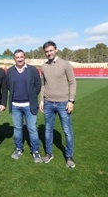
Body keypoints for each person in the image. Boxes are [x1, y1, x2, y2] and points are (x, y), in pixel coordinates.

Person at [39, 40, 77, 168]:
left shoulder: (65, 64)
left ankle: (69, 156)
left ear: (56, 50)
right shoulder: (43, 67)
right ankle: (49, 153)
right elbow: (43, 85)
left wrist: (71, 100)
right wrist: (42, 100)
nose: (49, 53)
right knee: (48, 130)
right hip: (49, 103)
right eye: (46, 52)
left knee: (67, 130)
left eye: (51, 50)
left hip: (63, 103)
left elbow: (72, 82)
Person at [6, 49, 42, 163]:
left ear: (24, 57)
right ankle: (18, 148)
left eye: (21, 57)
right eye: (17, 57)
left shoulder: (32, 70)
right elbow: (8, 86)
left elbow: (38, 85)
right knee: (17, 129)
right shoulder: (10, 71)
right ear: (14, 59)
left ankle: (35, 151)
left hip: (29, 105)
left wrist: (31, 95)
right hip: (15, 106)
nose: (20, 59)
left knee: (32, 129)